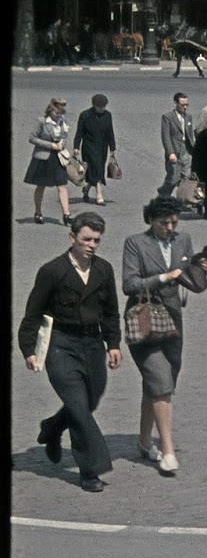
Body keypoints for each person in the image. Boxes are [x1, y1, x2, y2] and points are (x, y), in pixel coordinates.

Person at [21, 211, 123, 492]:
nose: (91, 245)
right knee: (79, 408)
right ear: (72, 238)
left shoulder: (104, 270)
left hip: (92, 345)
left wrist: (113, 344)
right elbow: (33, 313)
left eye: (97, 240)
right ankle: (90, 471)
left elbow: (111, 312)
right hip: (61, 345)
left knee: (90, 400)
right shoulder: (53, 271)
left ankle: (52, 428)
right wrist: (29, 350)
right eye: (86, 239)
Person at [123, 195, 207, 478]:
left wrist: (199, 266)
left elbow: (189, 276)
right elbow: (129, 283)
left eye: (174, 222)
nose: (170, 228)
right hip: (145, 320)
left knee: (159, 382)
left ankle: (142, 441)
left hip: (173, 321)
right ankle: (167, 449)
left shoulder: (182, 239)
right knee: (161, 383)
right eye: (165, 223)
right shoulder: (135, 243)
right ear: (151, 220)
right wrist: (163, 277)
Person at [26, 96, 74, 226]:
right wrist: (51, 145)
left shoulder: (63, 121)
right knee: (41, 186)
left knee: (62, 185)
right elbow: (32, 138)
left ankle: (67, 214)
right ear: (50, 110)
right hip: (43, 157)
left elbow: (65, 136)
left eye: (60, 113)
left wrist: (62, 144)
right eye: (56, 113)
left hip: (58, 157)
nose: (58, 115)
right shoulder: (42, 121)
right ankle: (38, 212)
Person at [73, 94, 117, 207]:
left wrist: (112, 148)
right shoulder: (85, 115)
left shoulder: (108, 115)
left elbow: (110, 132)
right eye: (99, 106)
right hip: (89, 147)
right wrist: (76, 147)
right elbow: (79, 133)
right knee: (97, 170)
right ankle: (99, 196)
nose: (102, 108)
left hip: (102, 147)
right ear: (94, 105)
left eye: (104, 106)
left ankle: (86, 188)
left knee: (96, 170)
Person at [157, 92, 196, 202]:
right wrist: (170, 152)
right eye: (182, 104)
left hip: (186, 150)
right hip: (174, 150)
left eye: (187, 104)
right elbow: (165, 136)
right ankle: (163, 192)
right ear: (176, 103)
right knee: (173, 178)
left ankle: (182, 199)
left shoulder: (188, 117)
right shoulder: (168, 117)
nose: (185, 107)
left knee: (186, 177)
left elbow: (190, 135)